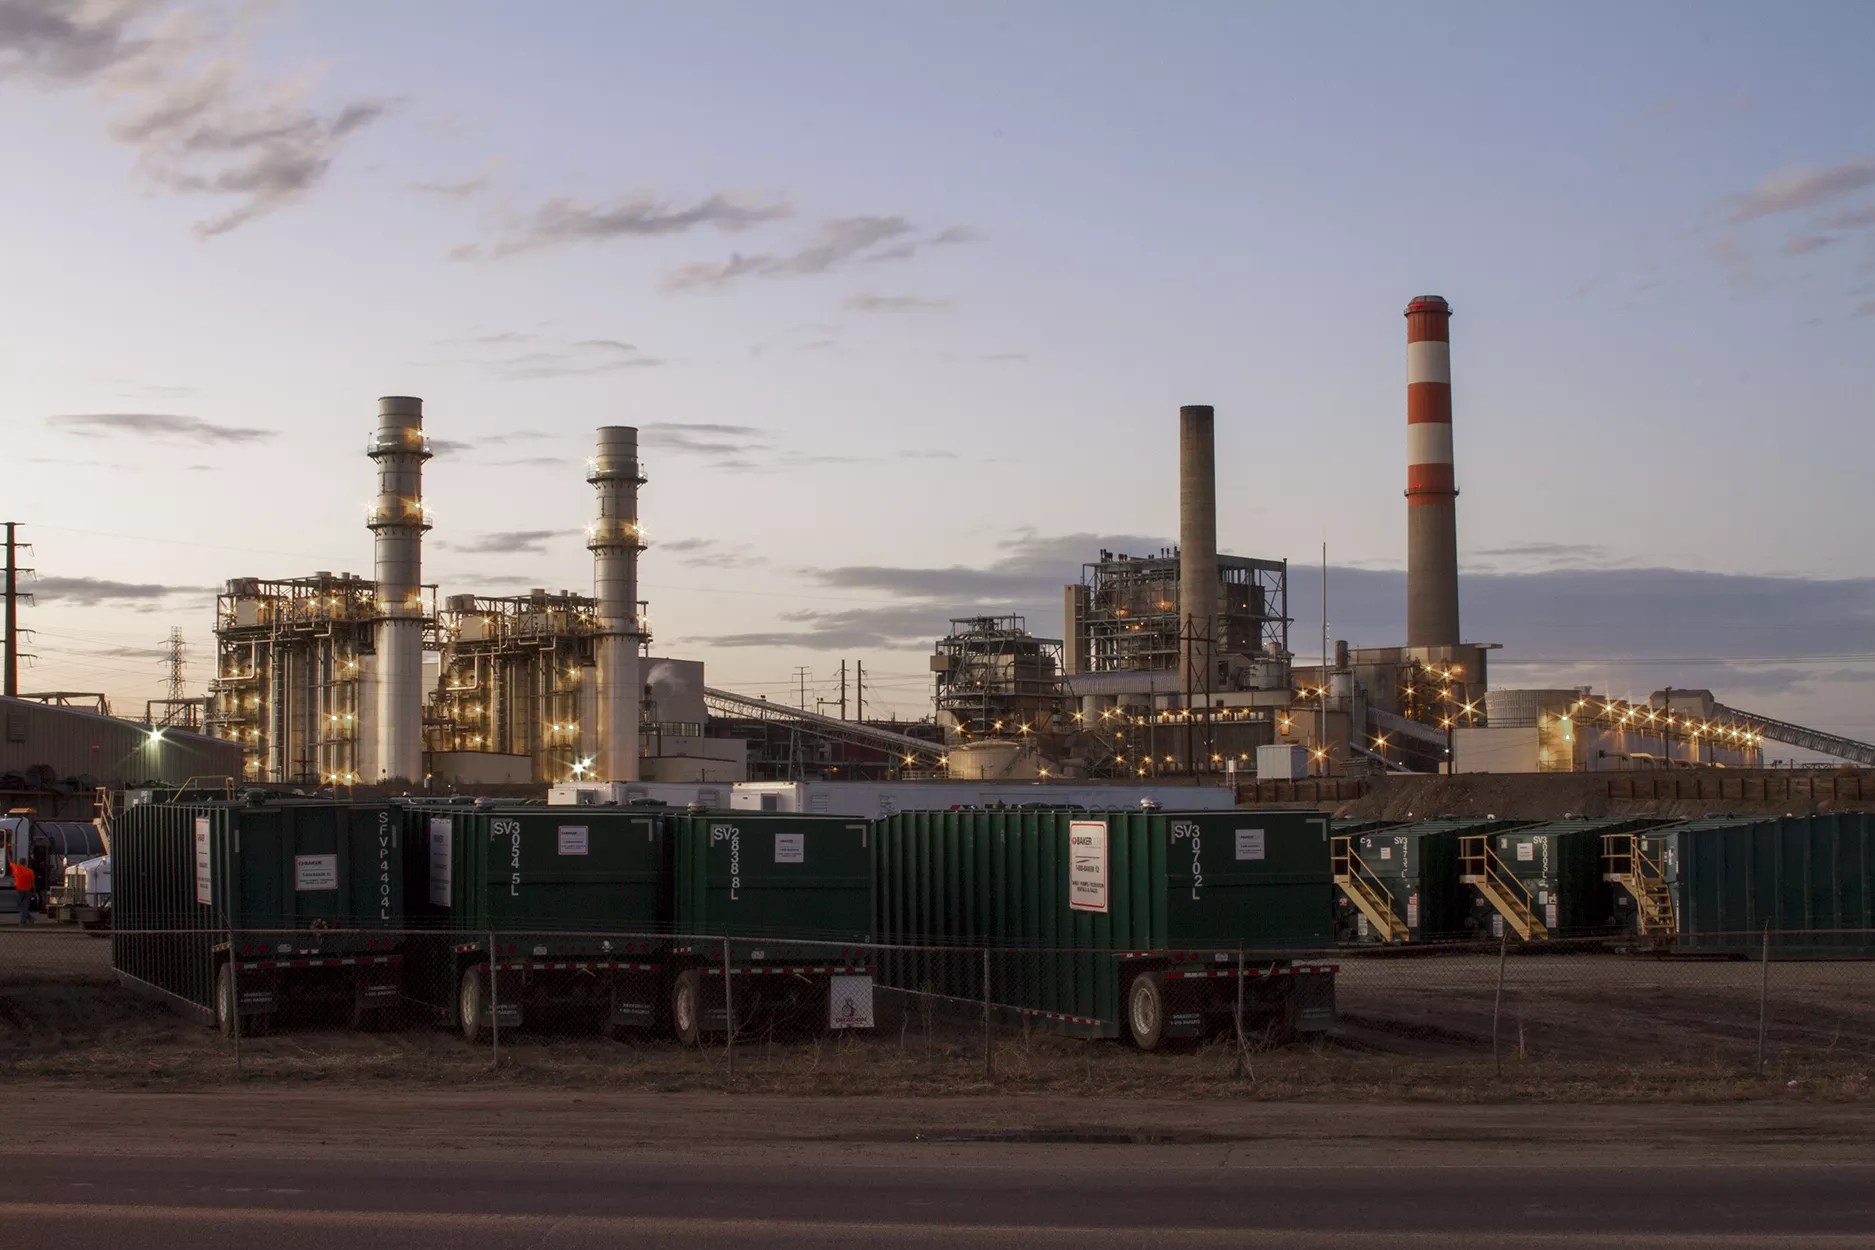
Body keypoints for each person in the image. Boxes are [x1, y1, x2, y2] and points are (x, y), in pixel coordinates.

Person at [10, 859, 34, 925]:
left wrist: (8, 852)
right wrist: (34, 890)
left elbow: (10, 861)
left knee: (19, 904)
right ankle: (27, 918)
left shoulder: (16, 868)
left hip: (19, 889)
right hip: (28, 890)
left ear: (19, 863)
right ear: (25, 863)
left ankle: (24, 920)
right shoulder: (30, 871)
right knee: (25, 906)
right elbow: (33, 882)